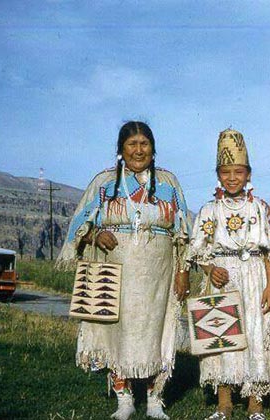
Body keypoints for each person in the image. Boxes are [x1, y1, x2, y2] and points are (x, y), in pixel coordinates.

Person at [57, 121, 191, 420]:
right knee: (117, 330)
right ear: (121, 150)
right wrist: (93, 236)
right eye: (132, 144)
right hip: (116, 267)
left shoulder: (168, 182)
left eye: (144, 143)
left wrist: (183, 271)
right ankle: (125, 397)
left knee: (159, 330)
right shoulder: (105, 183)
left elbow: (183, 231)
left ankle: (156, 399)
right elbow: (79, 223)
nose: (139, 150)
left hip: (159, 270)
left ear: (153, 149)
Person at [188, 129, 270, 420]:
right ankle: (224, 404)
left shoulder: (261, 208)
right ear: (217, 174)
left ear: (248, 174)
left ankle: (255, 403)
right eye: (225, 172)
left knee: (256, 334)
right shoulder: (209, 210)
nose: (232, 178)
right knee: (221, 336)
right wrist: (210, 269)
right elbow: (197, 252)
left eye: (238, 171)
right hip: (222, 277)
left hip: (255, 275)